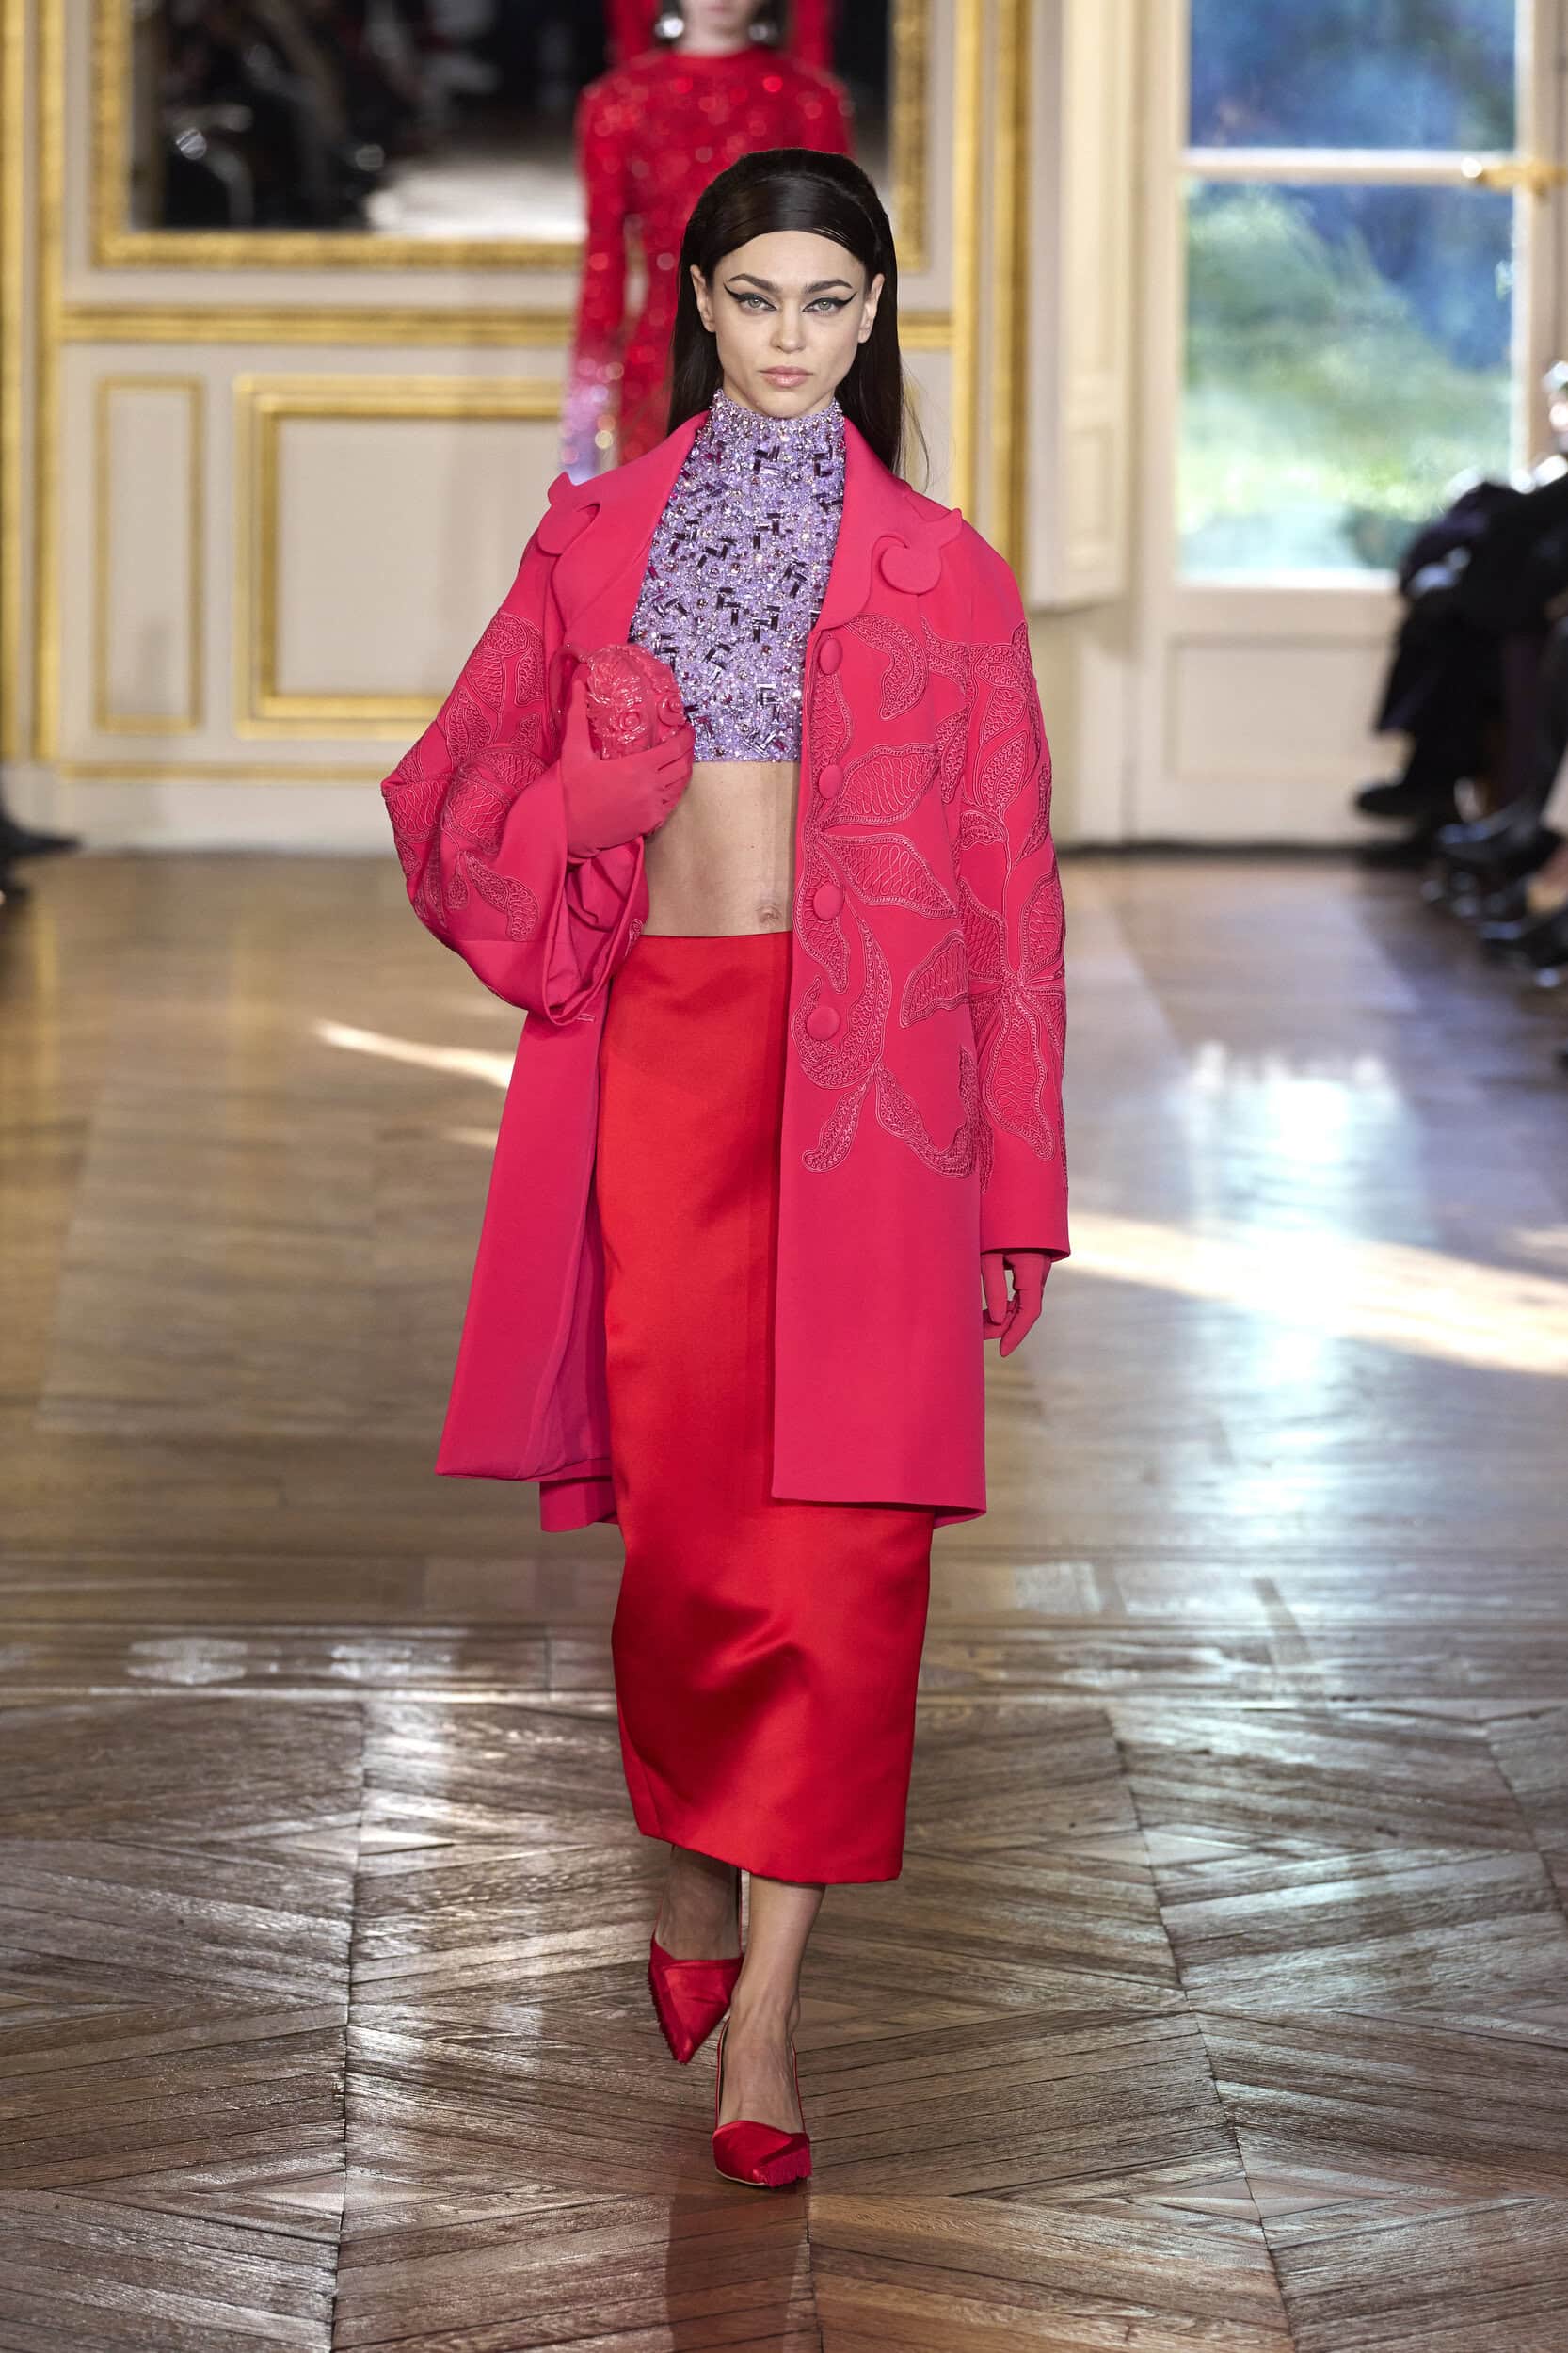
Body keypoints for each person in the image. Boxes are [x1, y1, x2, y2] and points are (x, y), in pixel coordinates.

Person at [380, 147, 1068, 2187]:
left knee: (851, 1552)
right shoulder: (596, 535)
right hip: (664, 1070)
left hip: (878, 1094)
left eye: (827, 301)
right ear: (696, 301)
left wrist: (1020, 1182)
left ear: (873, 317)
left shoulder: (945, 571)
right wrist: (587, 804)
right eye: (754, 296)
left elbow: (1009, 892)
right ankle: (686, 1865)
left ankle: (765, 2014)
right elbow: (449, 805)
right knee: (693, 1550)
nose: (789, 337)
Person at [563, 0, 850, 477]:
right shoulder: (617, 102)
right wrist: (584, 409)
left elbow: (836, 259)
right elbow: (604, 259)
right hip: (660, 365)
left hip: (783, 360)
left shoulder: (808, 100)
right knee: (659, 512)